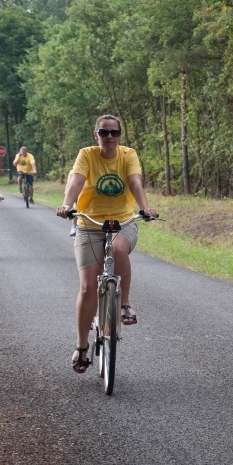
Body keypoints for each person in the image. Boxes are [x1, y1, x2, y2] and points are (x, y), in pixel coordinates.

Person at [55, 115, 158, 373]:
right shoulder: (87, 155)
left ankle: (124, 303)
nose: (109, 137)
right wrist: (68, 205)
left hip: (122, 220)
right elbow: (76, 181)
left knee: (120, 249)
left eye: (114, 132)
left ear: (120, 135)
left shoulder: (128, 154)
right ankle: (81, 346)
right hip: (89, 224)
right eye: (104, 132)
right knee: (89, 287)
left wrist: (145, 208)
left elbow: (135, 181)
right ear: (96, 134)